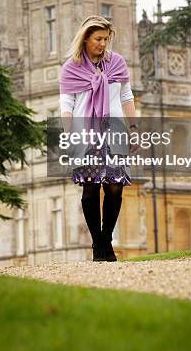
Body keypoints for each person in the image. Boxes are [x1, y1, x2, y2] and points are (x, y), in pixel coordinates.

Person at [59, 16, 138, 262]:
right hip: (86, 133)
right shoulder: (71, 68)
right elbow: (67, 104)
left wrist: (133, 127)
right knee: (91, 190)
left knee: (114, 188)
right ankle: (98, 244)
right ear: (85, 38)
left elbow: (126, 96)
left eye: (106, 39)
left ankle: (106, 240)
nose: (103, 44)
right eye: (98, 39)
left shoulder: (117, 63)